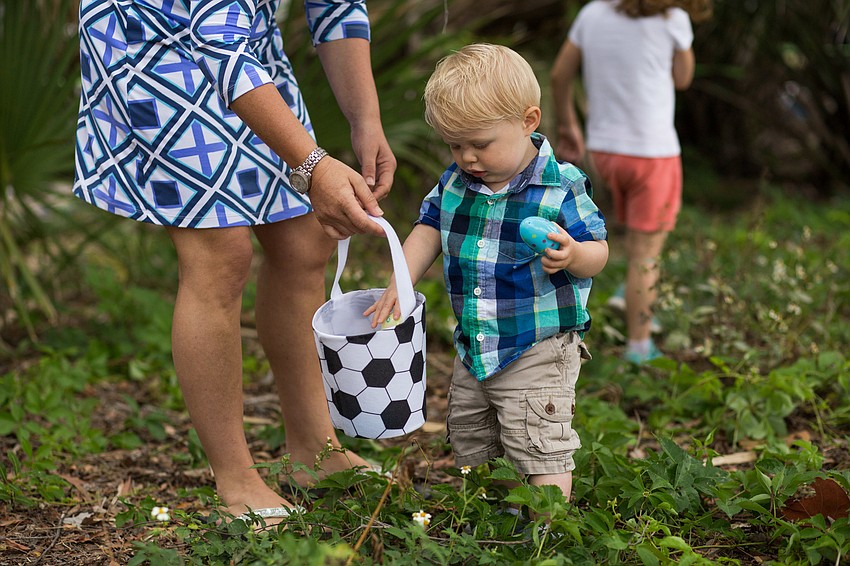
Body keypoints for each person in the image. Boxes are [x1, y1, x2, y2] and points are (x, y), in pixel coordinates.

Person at [74, 0, 396, 520]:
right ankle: (235, 477)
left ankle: (315, 450)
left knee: (305, 241)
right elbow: (215, 41)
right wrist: (313, 164)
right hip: (151, 47)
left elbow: (334, 6)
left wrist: (366, 120)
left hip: (245, 43)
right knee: (220, 252)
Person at [364, 44, 608, 500]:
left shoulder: (560, 186)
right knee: (474, 437)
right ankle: (491, 514)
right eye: (455, 145)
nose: (467, 158)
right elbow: (429, 228)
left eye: (480, 144)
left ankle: (547, 530)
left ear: (528, 120)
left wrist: (574, 254)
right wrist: (401, 278)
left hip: (538, 344)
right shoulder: (455, 183)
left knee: (538, 440)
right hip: (475, 344)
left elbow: (600, 251)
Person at [550, 0, 711, 364]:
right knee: (646, 254)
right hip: (652, 154)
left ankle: (629, 293)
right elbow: (683, 79)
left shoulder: (592, 13)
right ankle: (639, 348)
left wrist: (567, 124)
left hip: (605, 152)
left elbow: (560, 74)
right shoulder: (675, 20)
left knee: (630, 235)